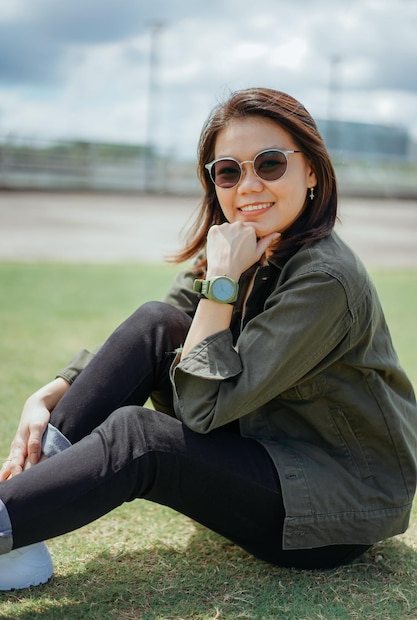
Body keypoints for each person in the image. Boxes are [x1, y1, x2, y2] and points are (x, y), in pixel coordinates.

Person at [0, 87, 416, 591]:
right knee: (158, 321)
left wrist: (222, 285)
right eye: (228, 171)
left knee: (142, 439)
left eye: (269, 164)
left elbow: (200, 408)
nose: (248, 185)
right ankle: (18, 527)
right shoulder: (234, 244)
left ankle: (11, 523)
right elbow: (161, 332)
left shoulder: (324, 279)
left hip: (333, 502)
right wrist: (51, 390)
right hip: (263, 443)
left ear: (312, 171)